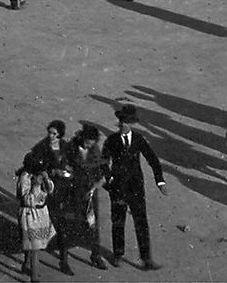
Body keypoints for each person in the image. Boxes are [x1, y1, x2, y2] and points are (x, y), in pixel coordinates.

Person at [101, 104, 165, 271]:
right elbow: (103, 161)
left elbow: (153, 159)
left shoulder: (138, 139)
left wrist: (160, 181)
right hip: (117, 187)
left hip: (136, 187)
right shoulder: (111, 140)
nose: (123, 125)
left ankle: (146, 258)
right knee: (118, 221)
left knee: (141, 222)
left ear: (132, 124)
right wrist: (110, 178)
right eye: (121, 122)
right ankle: (118, 254)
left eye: (127, 122)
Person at [56, 125, 108, 272]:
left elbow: (100, 167)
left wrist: (99, 181)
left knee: (92, 224)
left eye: (91, 143)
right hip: (72, 192)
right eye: (87, 142)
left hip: (89, 192)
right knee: (67, 224)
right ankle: (63, 260)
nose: (89, 145)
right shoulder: (70, 148)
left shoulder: (94, 149)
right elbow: (62, 167)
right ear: (82, 138)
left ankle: (95, 255)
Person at [16, 154, 58, 280]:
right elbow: (27, 200)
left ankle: (26, 264)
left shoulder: (41, 174)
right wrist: (35, 186)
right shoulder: (25, 177)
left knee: (33, 243)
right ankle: (34, 277)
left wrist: (46, 180)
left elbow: (50, 189)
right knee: (35, 246)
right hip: (29, 214)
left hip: (41, 212)